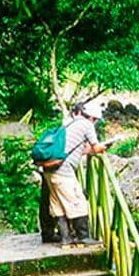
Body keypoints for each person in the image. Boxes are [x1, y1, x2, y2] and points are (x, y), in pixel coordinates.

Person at [37, 101, 107, 245]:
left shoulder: (68, 124)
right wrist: (103, 146)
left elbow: (79, 149)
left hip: (50, 170)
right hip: (64, 171)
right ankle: (83, 236)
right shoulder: (86, 125)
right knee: (78, 201)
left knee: (57, 204)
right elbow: (96, 147)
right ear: (93, 118)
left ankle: (65, 237)